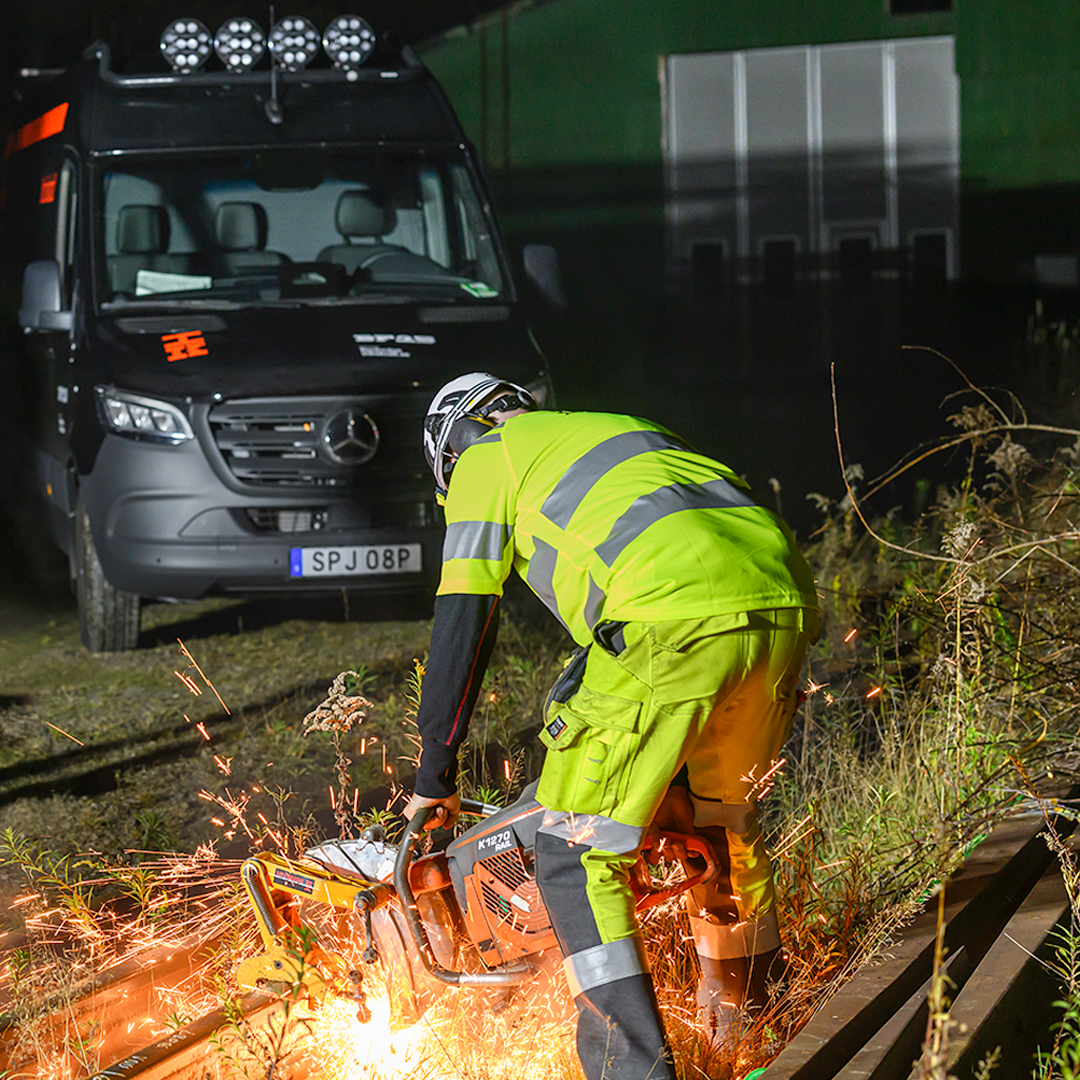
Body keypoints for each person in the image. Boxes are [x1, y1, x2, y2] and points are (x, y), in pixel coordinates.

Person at [403, 373, 820, 1079]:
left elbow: (464, 616)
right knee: (720, 831)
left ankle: (630, 1072)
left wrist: (433, 775)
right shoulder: (608, 429)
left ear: (449, 448)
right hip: (783, 612)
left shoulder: (484, 458)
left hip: (669, 621)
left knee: (574, 849)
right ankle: (755, 1041)